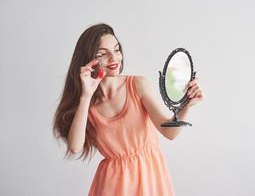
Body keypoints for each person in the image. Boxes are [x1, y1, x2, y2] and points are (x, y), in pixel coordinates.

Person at [53, 23, 203, 196]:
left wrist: (187, 105)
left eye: (116, 50)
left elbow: (170, 132)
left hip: (150, 178)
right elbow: (75, 147)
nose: (114, 58)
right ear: (88, 59)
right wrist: (86, 96)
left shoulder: (137, 85)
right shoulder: (88, 104)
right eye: (102, 54)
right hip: (112, 185)